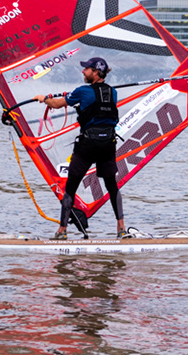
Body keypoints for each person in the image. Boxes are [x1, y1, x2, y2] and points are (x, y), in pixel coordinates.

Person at [42, 56, 127, 240]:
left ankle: (62, 231)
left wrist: (44, 99)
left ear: (96, 73)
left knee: (71, 187)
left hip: (88, 145)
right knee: (112, 186)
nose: (83, 71)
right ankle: (121, 228)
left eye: (86, 69)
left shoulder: (82, 91)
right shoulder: (113, 93)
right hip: (108, 144)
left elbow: (57, 103)